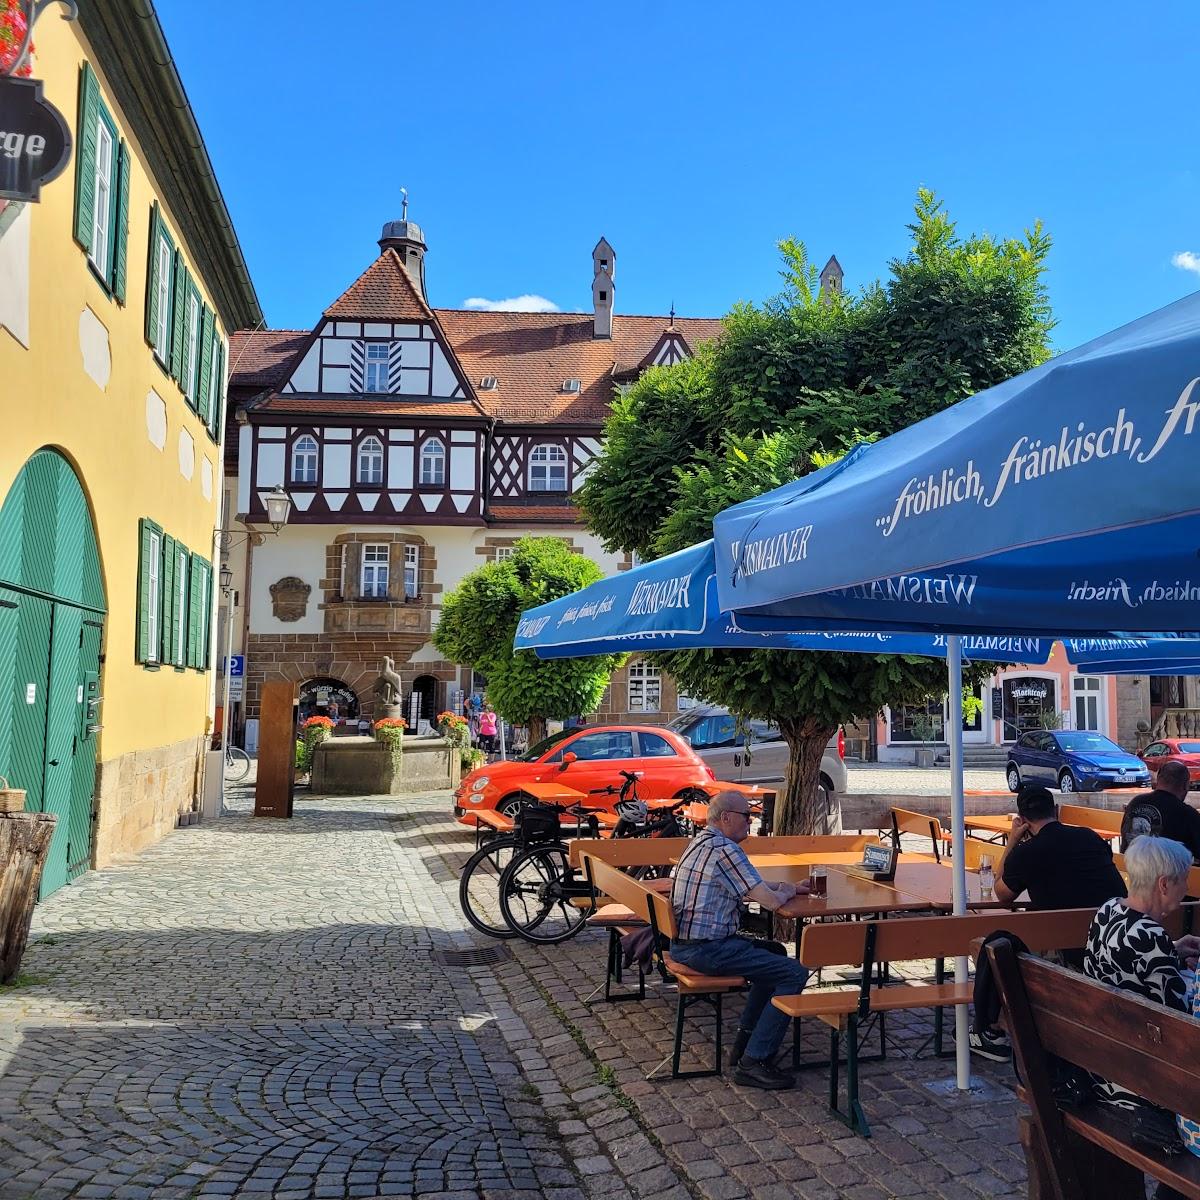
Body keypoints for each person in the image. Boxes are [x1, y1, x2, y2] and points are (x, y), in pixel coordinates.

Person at [970, 784, 1127, 1061]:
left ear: (1023, 819)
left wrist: (1012, 842)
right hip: (1112, 936)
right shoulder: (1089, 837)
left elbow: (1002, 895)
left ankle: (985, 1028)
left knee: (993, 942)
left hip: (1066, 949)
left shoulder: (1028, 851)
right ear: (1055, 810)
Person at [669, 791, 812, 1090]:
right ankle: (754, 1061)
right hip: (706, 949)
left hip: (686, 943)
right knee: (794, 971)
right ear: (726, 818)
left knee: (773, 952)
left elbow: (751, 884)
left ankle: (745, 1040)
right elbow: (771, 902)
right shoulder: (726, 850)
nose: (752, 821)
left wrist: (788, 888)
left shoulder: (701, 842)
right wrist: (786, 890)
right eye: (747, 815)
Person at [1083, 835, 1200, 1200]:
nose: (1186, 889)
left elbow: (1128, 966)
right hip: (1141, 1084)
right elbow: (1183, 1025)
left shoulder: (1108, 911)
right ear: (1164, 884)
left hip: (1098, 1060)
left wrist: (1173, 951)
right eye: (1183, 880)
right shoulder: (1151, 936)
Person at [1121, 760, 1200, 861]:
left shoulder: (1135, 802)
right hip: (1165, 874)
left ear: (1158, 780)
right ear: (1186, 785)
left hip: (1129, 868)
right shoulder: (1187, 814)